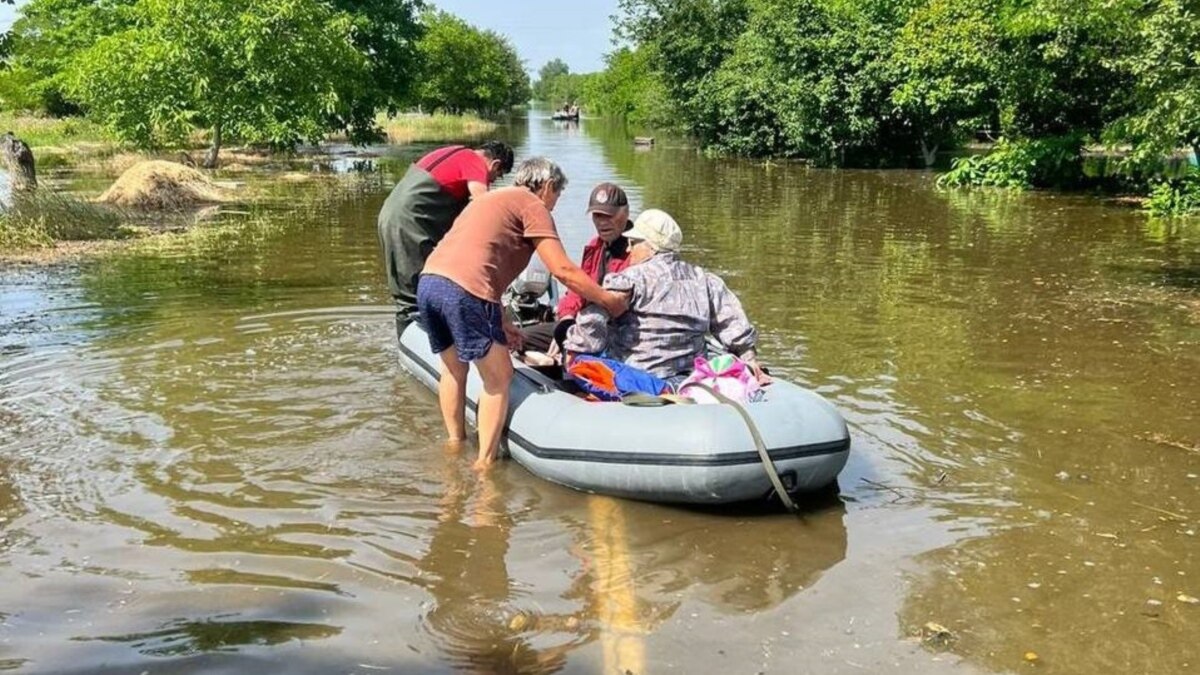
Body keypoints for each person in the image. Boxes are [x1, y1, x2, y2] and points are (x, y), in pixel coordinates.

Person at [418, 157, 627, 470]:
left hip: (430, 282)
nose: (554, 205)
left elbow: (480, 261)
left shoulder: (489, 199)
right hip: (465, 292)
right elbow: (563, 270)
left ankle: (454, 443)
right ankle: (484, 465)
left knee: (453, 370)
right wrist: (609, 301)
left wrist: (502, 321)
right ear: (545, 186)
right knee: (499, 377)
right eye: (556, 196)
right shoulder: (532, 205)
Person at [564, 209, 767, 389]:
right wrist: (749, 360)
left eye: (633, 243)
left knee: (578, 354)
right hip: (690, 379)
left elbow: (594, 320)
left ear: (651, 246)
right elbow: (734, 326)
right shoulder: (704, 281)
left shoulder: (630, 279)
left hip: (638, 379)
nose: (628, 249)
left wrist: (574, 351)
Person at [378, 141, 515, 332]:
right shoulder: (474, 162)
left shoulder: (452, 152)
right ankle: (416, 342)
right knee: (412, 293)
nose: (489, 182)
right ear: (496, 164)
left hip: (391, 214)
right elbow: (483, 205)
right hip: (411, 222)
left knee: (417, 284)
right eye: (495, 177)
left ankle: (425, 337)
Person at [519, 182, 634, 353]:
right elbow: (578, 289)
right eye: (597, 216)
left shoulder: (636, 251)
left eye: (609, 216)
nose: (602, 223)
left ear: (625, 213)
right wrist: (566, 317)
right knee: (519, 339)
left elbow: (623, 305)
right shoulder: (595, 246)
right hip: (582, 323)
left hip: (614, 329)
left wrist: (574, 335)